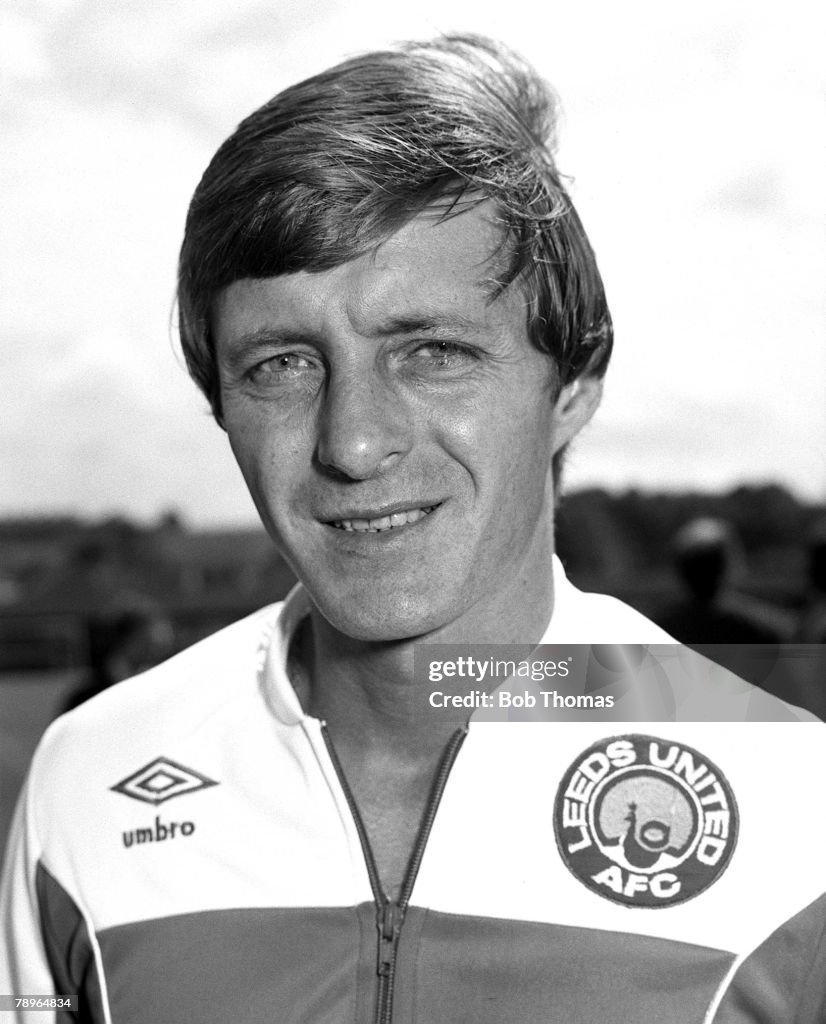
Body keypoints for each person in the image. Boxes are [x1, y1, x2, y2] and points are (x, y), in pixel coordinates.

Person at [1, 35, 824, 1024]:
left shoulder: (795, 814)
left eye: (432, 350)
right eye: (281, 363)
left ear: (572, 386)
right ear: (219, 401)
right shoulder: (87, 778)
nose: (352, 442)